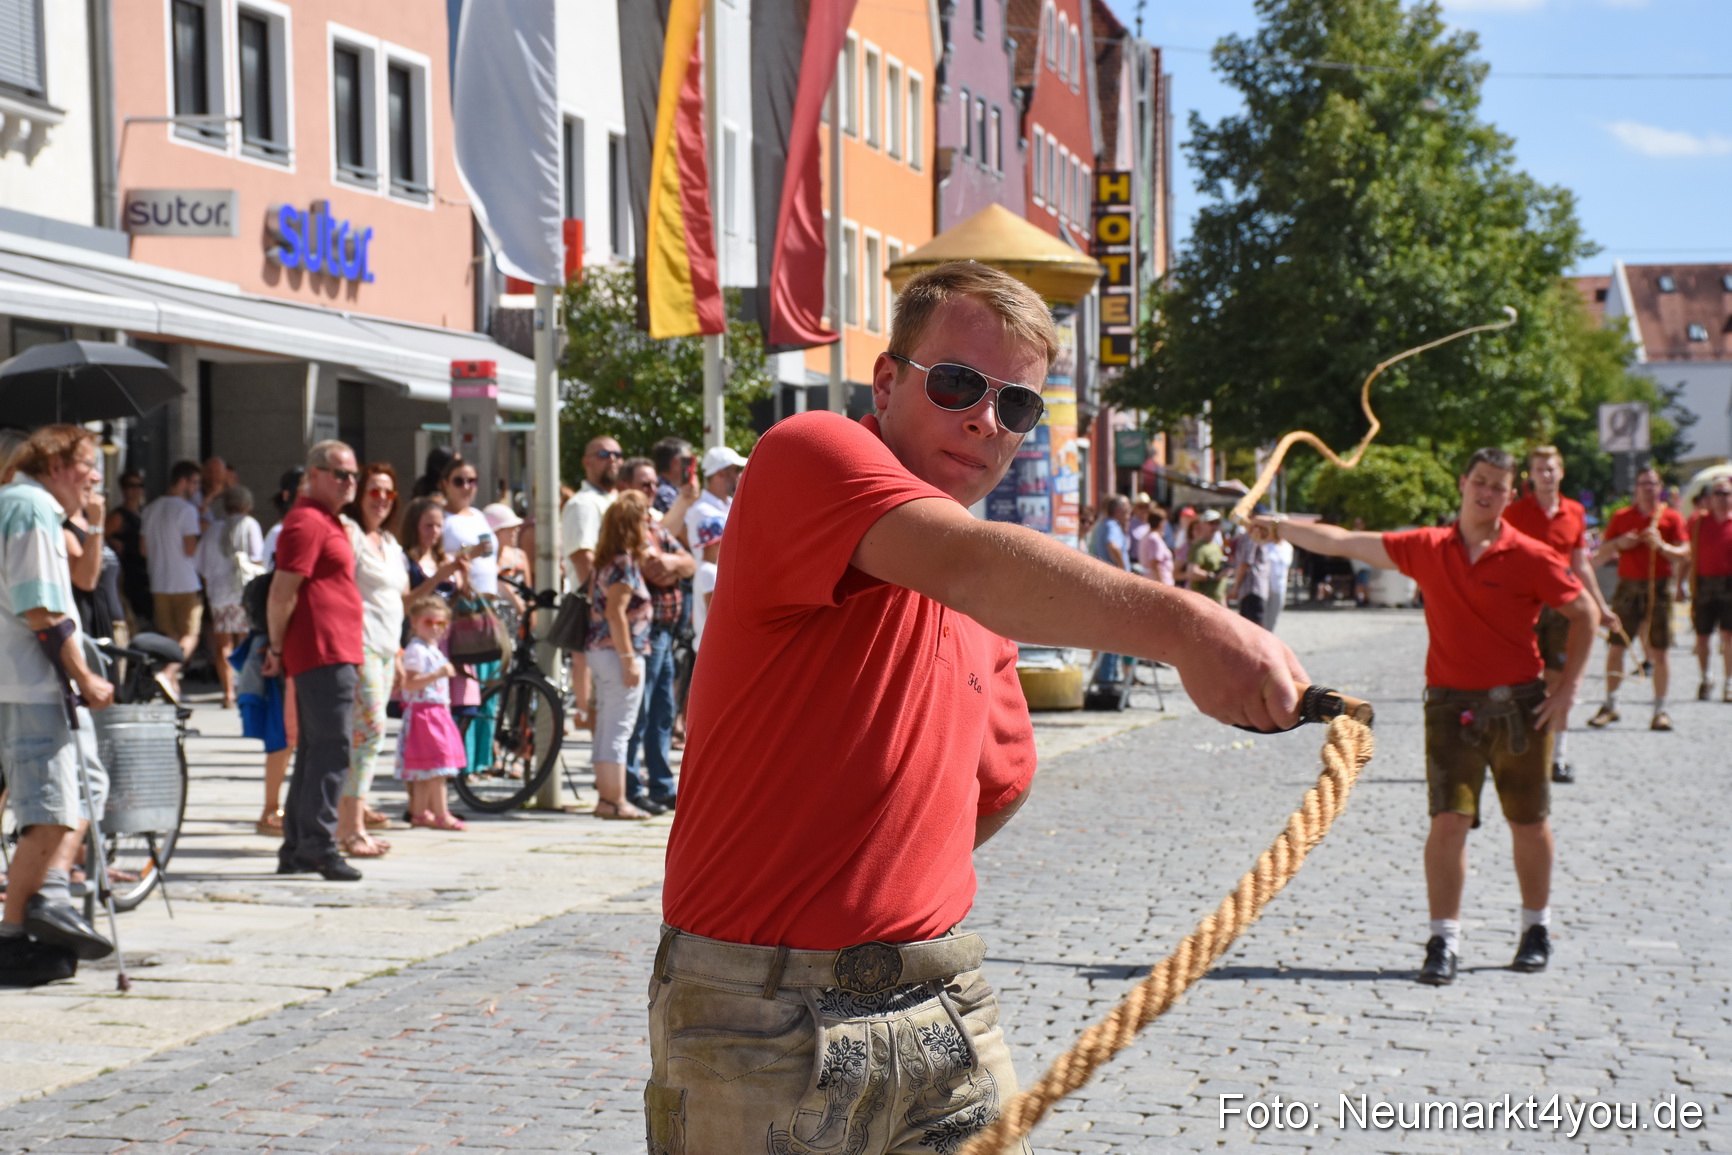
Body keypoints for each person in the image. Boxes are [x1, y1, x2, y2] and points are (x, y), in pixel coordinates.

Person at [650, 262, 1304, 1148]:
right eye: (958, 382)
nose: (985, 419)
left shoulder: (990, 604)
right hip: (760, 1008)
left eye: (1018, 406)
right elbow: (969, 561)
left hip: (944, 996)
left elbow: (998, 785)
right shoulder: (811, 452)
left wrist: (878, 881)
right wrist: (1190, 627)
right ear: (886, 381)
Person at [1250, 447, 1597, 986]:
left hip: (1521, 706)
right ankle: (1444, 940)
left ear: (1511, 495)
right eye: (1479, 481)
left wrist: (1568, 689)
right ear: (1463, 483)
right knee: (1448, 821)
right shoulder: (1426, 547)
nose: (1487, 492)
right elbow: (1342, 541)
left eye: (1498, 487)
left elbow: (1585, 612)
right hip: (1450, 705)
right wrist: (1280, 526)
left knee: (1528, 822)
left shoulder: (1529, 554)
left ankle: (1536, 929)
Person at [0, 426, 118, 985]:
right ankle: (15, 935)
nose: (96, 477)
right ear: (53, 463)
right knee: (48, 816)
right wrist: (86, 677)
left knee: (74, 796)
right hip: (30, 685)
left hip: (29, 685)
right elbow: (41, 609)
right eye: (87, 464)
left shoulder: (28, 505)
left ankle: (45, 907)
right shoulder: (28, 508)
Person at [264, 440, 365, 882]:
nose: (349, 483)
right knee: (331, 750)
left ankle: (299, 846)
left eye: (353, 475)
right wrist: (276, 648)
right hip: (323, 650)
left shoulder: (328, 521)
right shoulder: (306, 521)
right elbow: (282, 593)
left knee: (314, 751)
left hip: (332, 648)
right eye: (340, 474)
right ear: (314, 474)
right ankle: (320, 844)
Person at [1503, 446, 1616, 784]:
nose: (1546, 475)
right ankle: (1518, 750)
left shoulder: (1575, 511)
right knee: (1520, 681)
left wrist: (1601, 607)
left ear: (1561, 472)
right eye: (1540, 469)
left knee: (1560, 681)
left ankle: (1559, 756)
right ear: (1531, 475)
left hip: (1565, 607)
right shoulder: (1515, 512)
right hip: (1525, 608)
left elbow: (1581, 563)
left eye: (1551, 468)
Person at [338, 464, 406, 858]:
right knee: (370, 732)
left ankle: (348, 822)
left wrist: (397, 652)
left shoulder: (390, 542)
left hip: (385, 647)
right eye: (374, 491)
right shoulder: (353, 536)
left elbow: (398, 601)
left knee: (368, 737)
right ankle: (351, 827)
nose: (381, 499)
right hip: (359, 645)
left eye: (389, 493)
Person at [619, 459, 695, 815]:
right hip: (642, 633)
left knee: (663, 709)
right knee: (641, 712)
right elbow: (648, 566)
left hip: (665, 631)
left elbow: (687, 562)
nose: (652, 491)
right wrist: (669, 564)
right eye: (644, 485)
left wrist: (672, 565)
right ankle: (631, 787)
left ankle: (662, 785)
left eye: (653, 484)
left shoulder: (654, 525)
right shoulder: (624, 526)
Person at [1588, 467, 1688, 732]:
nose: (1647, 488)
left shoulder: (1671, 518)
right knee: (1617, 647)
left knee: (1661, 650)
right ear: (1636, 488)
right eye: (1643, 484)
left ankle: (1660, 710)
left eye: (1652, 484)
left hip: (1660, 587)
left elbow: (1684, 554)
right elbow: (1605, 548)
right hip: (1628, 588)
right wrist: (1621, 542)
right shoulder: (1622, 517)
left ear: (1660, 487)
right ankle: (1610, 705)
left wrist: (1662, 546)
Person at [587, 491, 655, 820]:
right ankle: (616, 801)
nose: (649, 524)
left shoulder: (606, 561)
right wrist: (629, 660)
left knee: (607, 726)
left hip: (600, 652)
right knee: (619, 727)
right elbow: (616, 614)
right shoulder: (624, 564)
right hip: (618, 654)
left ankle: (607, 799)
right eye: (644, 519)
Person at [439, 458, 500, 773]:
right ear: (445, 484)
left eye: (472, 480)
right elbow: (436, 559)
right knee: (466, 690)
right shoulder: (443, 519)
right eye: (459, 481)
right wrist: (468, 555)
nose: (467, 487)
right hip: (462, 610)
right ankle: (462, 762)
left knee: (489, 687)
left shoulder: (478, 516)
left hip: (489, 607)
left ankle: (482, 760)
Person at [563, 436, 623, 727]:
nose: (612, 459)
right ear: (587, 461)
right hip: (599, 611)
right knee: (605, 707)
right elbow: (582, 559)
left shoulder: (617, 500)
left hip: (615, 611)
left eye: (617, 454)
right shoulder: (583, 504)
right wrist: (604, 608)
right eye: (603, 453)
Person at [396, 595, 468, 831]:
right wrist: (437, 674)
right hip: (425, 714)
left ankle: (419, 813)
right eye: (429, 622)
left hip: (435, 712)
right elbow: (410, 682)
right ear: (415, 622)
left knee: (429, 768)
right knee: (437, 767)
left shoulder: (431, 648)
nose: (436, 629)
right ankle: (441, 813)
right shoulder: (417, 650)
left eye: (441, 624)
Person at [196, 485, 264, 709]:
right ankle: (245, 688)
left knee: (223, 644)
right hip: (244, 594)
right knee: (244, 641)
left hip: (219, 595)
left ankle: (228, 693)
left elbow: (201, 564)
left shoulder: (214, 529)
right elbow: (258, 559)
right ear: (247, 505)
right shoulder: (249, 525)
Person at [139, 460, 204, 691]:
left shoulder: (150, 508)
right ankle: (168, 673)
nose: (196, 489)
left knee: (171, 637)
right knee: (191, 635)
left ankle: (173, 686)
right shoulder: (187, 510)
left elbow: (143, 549)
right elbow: (190, 548)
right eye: (195, 482)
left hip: (159, 580)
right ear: (183, 481)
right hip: (185, 580)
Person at [683, 444, 747, 647]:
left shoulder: (727, 504)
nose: (740, 475)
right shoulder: (702, 511)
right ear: (720, 474)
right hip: (715, 588)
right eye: (736, 470)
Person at [1687, 480, 1732, 703]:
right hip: (1703, 584)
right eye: (1718, 493)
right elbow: (1688, 554)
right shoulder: (1697, 523)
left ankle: (1730, 683)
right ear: (1710, 497)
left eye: (1727, 493)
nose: (1723, 498)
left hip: (1729, 585)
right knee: (1702, 637)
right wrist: (1679, 585)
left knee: (1729, 636)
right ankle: (1706, 678)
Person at [107, 469, 151, 628]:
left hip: (145, 570)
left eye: (139, 485)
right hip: (128, 571)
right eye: (130, 485)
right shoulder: (119, 516)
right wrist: (112, 541)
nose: (135, 489)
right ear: (123, 489)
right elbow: (102, 536)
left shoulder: (144, 513)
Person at [1230, 506, 1275, 627]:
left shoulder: (1256, 536)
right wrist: (1235, 588)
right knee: (1254, 627)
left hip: (1254, 589)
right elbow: (1244, 564)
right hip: (1252, 588)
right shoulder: (1251, 536)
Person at [1185, 510, 1229, 603]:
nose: (1214, 526)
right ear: (1202, 525)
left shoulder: (1216, 546)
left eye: (1217, 523)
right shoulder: (1198, 547)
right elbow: (1192, 572)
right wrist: (1214, 576)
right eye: (1211, 523)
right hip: (1204, 602)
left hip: (1217, 600)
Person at [650, 437, 695, 515]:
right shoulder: (663, 492)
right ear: (675, 463)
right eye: (689, 461)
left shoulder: (674, 491)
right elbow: (676, 524)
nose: (694, 467)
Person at [1139, 506, 1174, 584]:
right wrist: (1162, 585)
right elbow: (1154, 564)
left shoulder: (1148, 536)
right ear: (1161, 522)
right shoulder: (1154, 539)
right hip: (1158, 582)